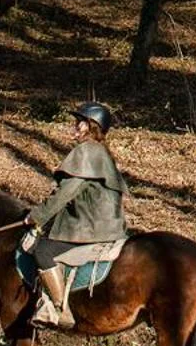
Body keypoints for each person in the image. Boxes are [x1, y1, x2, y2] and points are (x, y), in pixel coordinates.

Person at [23, 102, 127, 324]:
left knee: (42, 250)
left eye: (80, 122)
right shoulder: (102, 153)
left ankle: (60, 309)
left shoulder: (86, 153)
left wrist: (36, 216)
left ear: (91, 126)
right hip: (110, 227)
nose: (75, 125)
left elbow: (64, 195)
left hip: (90, 229)